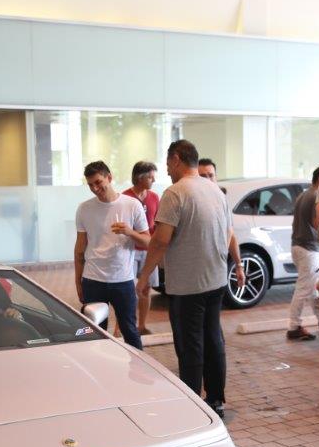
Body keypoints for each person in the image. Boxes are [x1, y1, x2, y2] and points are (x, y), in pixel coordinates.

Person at [138, 140, 244, 418]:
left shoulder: (175, 193)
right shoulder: (215, 190)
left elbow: (160, 241)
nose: (166, 170)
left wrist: (144, 276)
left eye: (167, 163)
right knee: (213, 339)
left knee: (190, 346)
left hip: (188, 285)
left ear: (176, 159)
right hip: (216, 280)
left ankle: (193, 404)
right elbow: (228, 232)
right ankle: (216, 400)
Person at [73, 160, 150, 350]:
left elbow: (148, 242)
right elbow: (80, 248)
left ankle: (138, 367)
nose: (95, 188)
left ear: (109, 177)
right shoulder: (84, 208)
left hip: (122, 280)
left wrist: (129, 232)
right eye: (90, 185)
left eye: (98, 182)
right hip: (93, 279)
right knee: (95, 333)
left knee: (129, 330)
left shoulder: (132, 205)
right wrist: (78, 281)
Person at [287, 165, 319, 340]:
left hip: (297, 246)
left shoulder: (303, 194)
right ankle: (294, 327)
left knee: (311, 288)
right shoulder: (316, 196)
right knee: (303, 289)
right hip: (310, 249)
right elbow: (318, 223)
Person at [122, 161, 160, 335]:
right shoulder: (125, 197)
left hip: (149, 250)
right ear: (140, 177)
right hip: (130, 250)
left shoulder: (154, 197)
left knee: (146, 289)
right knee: (127, 290)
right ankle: (121, 328)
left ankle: (142, 326)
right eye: (151, 177)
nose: (154, 180)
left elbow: (158, 224)